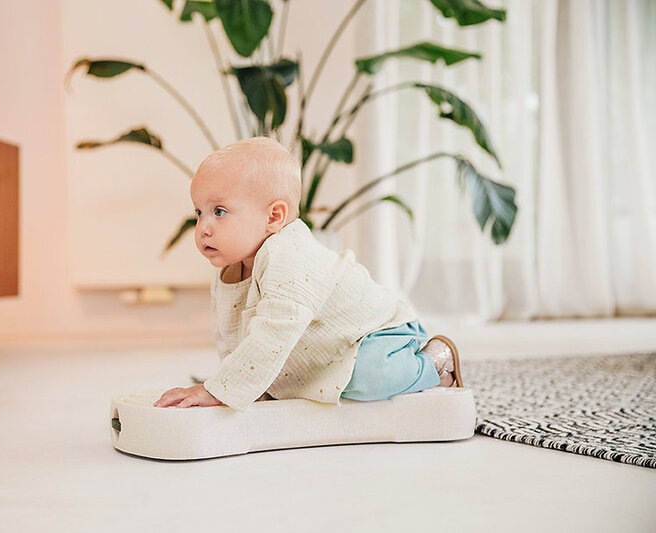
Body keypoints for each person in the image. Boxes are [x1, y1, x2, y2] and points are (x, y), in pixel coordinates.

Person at [153, 136, 463, 412]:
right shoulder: (231, 267)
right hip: (327, 348)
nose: (203, 227)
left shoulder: (287, 253)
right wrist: (233, 389)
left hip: (376, 334)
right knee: (304, 384)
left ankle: (436, 362)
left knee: (368, 378)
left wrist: (218, 390)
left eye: (219, 211)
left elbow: (276, 329)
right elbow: (234, 337)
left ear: (274, 216)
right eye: (199, 212)